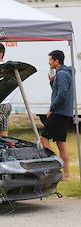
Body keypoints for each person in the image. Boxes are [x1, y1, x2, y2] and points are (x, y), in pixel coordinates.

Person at [41, 50, 74, 181]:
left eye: (50, 60)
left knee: (43, 138)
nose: (49, 62)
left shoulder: (62, 75)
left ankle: (53, 166)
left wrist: (52, 109)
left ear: (56, 61)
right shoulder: (62, 74)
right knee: (61, 144)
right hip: (64, 113)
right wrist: (51, 82)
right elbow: (59, 91)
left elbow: (62, 95)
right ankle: (66, 175)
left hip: (59, 113)